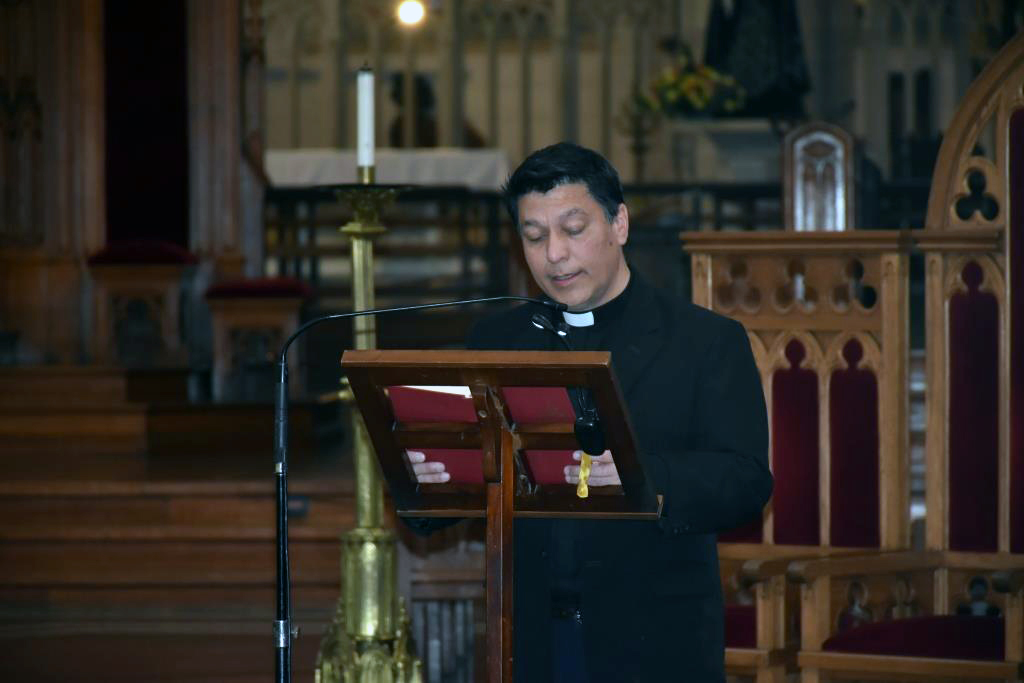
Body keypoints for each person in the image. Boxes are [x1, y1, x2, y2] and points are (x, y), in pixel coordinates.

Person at [407, 142, 772, 682]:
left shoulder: (704, 341)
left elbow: (744, 479)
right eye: (534, 237)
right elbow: (450, 493)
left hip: (653, 639)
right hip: (528, 639)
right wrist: (431, 482)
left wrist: (642, 475)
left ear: (619, 223)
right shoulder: (496, 341)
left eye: (573, 230)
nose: (554, 254)